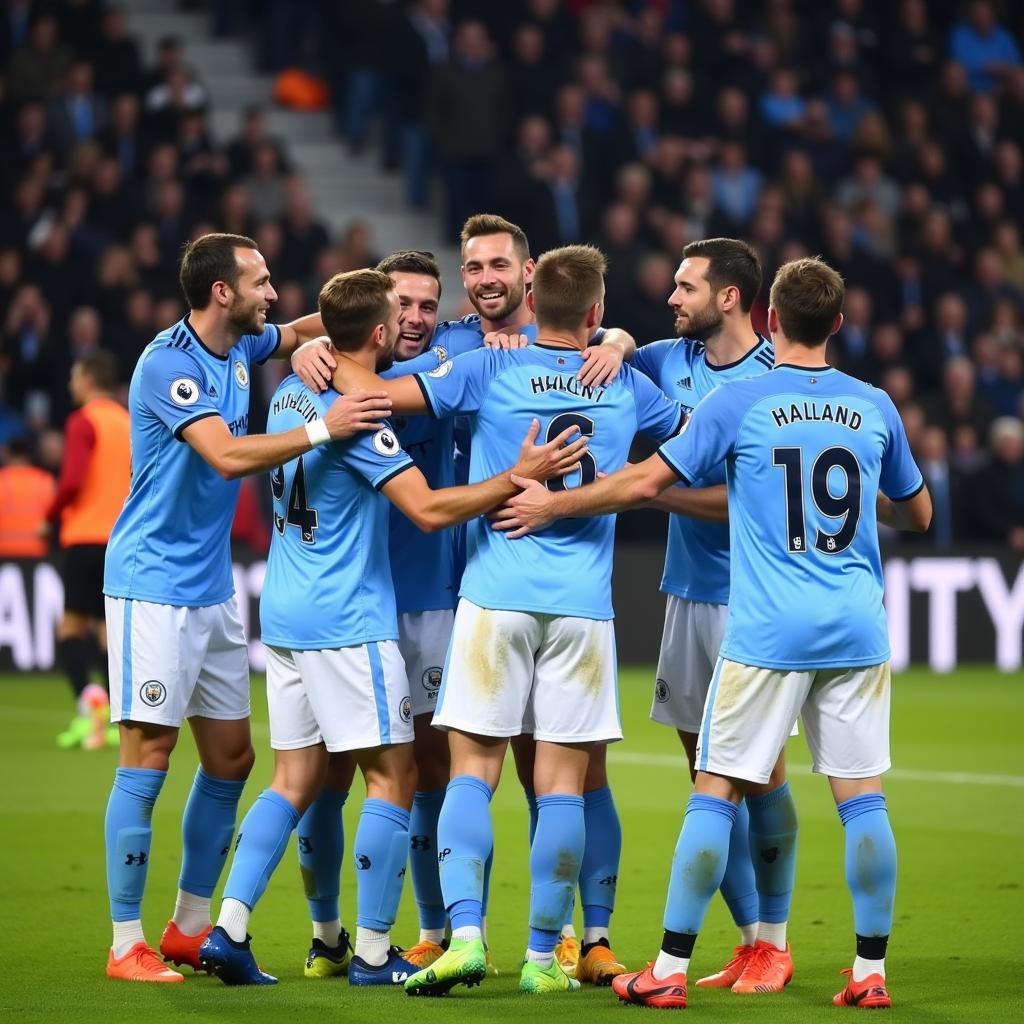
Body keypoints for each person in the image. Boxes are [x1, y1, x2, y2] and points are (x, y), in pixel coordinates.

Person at [494, 256, 932, 1010]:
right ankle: (870, 973)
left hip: (766, 626)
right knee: (863, 800)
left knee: (715, 789)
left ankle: (667, 968)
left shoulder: (740, 401)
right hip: (857, 624)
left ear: (766, 319)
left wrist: (554, 506)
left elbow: (641, 483)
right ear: (835, 323)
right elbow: (918, 515)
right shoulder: (875, 405)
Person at [198, 268, 587, 985]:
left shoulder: (288, 392)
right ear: (380, 332)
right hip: (348, 618)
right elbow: (430, 510)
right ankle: (375, 951)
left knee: (294, 777)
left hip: (283, 612)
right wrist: (517, 476)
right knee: (396, 774)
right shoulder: (359, 417)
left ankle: (228, 926)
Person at [324, 244, 684, 996]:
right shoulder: (627, 383)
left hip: (493, 598)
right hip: (583, 609)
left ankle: (460, 938)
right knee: (562, 785)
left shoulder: (489, 370)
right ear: (594, 311)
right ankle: (543, 957)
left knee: (471, 774)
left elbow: (378, 388)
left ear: (531, 295)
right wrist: (617, 348)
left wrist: (316, 353)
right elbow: (705, 440)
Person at [100, 232, 392, 983]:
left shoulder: (243, 343)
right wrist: (325, 424)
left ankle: (189, 928)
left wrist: (308, 345)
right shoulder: (170, 364)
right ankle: (124, 940)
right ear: (221, 292)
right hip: (150, 585)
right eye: (260, 281)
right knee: (149, 755)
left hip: (211, 586)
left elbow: (301, 329)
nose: (272, 292)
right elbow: (227, 456)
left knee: (231, 757)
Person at [630, 239, 800, 993]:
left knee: (756, 773)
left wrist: (650, 490)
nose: (673, 295)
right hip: (685, 590)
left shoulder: (772, 381)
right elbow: (609, 349)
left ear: (729, 297)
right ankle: (745, 941)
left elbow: (747, 502)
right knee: (705, 776)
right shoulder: (672, 359)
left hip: (752, 601)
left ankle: (776, 938)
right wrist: (609, 340)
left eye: (686, 285)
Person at [45, 351, 130, 751]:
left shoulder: (83, 421)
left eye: (75, 376)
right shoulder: (129, 421)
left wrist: (50, 514)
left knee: (71, 629)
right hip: (121, 539)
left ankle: (87, 705)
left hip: (85, 538)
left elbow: (73, 479)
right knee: (105, 632)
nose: (70, 384)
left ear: (89, 379)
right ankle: (115, 718)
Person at [0, 437, 55, 558]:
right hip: (37, 551)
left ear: (7, 454)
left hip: (4, 552)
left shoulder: (1, 480)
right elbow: (55, 517)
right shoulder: (45, 480)